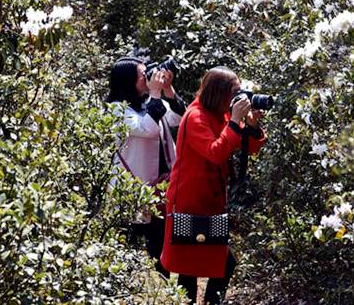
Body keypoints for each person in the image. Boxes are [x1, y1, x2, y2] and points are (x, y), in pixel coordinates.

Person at [160, 66, 267, 304]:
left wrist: (251, 125)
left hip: (212, 201)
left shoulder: (222, 115)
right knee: (191, 268)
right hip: (190, 200)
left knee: (221, 262)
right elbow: (215, 153)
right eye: (235, 92)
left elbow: (252, 147)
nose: (239, 97)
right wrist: (236, 121)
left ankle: (209, 301)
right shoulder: (195, 116)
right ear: (219, 93)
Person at [107, 55, 186, 276]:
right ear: (127, 81)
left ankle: (166, 295)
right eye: (144, 75)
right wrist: (155, 93)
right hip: (131, 192)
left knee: (159, 250)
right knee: (125, 252)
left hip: (158, 191)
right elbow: (147, 128)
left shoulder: (152, 102)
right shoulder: (116, 110)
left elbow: (180, 118)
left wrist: (168, 90)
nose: (149, 77)